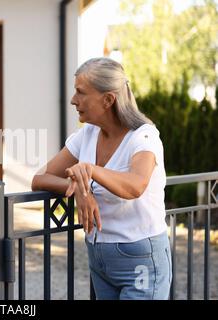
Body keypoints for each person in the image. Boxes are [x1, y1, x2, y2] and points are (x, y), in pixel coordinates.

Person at [32, 57, 172, 300]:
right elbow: (40, 179)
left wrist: (91, 170)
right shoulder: (87, 134)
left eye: (80, 92)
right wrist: (79, 189)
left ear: (108, 99)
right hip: (99, 259)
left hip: (140, 261)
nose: (73, 100)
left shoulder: (144, 137)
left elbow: (135, 185)